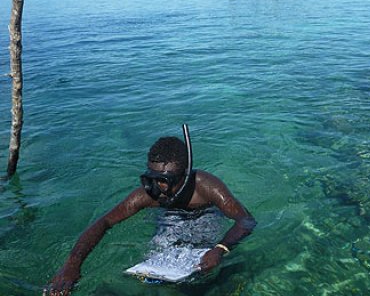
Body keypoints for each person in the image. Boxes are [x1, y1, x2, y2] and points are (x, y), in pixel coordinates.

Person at [44, 125, 256, 295]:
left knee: (206, 275)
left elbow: (245, 220)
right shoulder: (148, 194)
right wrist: (71, 265)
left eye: (165, 181)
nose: (158, 188)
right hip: (169, 223)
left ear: (184, 175)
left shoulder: (207, 187)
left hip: (205, 218)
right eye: (151, 179)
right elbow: (104, 222)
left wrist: (220, 249)